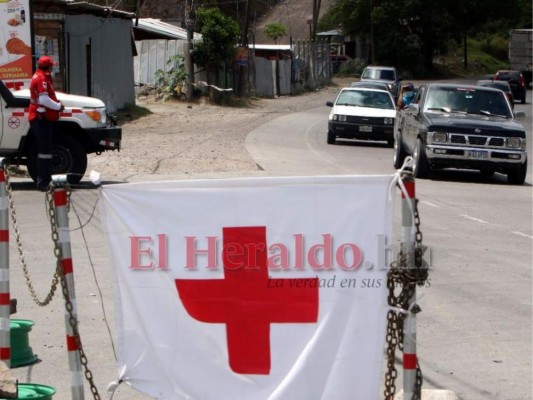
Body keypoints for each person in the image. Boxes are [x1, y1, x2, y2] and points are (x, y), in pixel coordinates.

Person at [28, 56, 64, 190]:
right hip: (40, 119)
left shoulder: (39, 76)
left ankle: (44, 180)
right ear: (48, 67)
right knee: (45, 151)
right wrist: (58, 106)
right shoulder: (42, 78)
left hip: (40, 118)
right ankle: (43, 182)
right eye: (52, 66)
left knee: (45, 150)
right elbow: (43, 99)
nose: (53, 68)